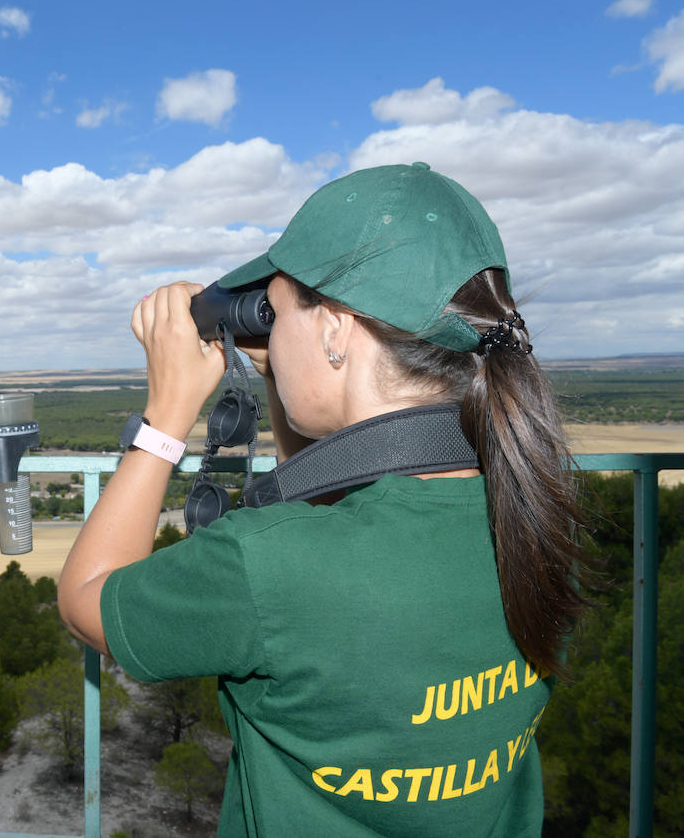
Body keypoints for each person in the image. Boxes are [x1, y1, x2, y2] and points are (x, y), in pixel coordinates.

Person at [58, 162, 589, 836]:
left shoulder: (269, 567)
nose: (271, 338)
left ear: (337, 330)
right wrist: (285, 363)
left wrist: (165, 417)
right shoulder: (535, 514)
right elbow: (337, 487)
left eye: (276, 315)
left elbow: (86, 600)